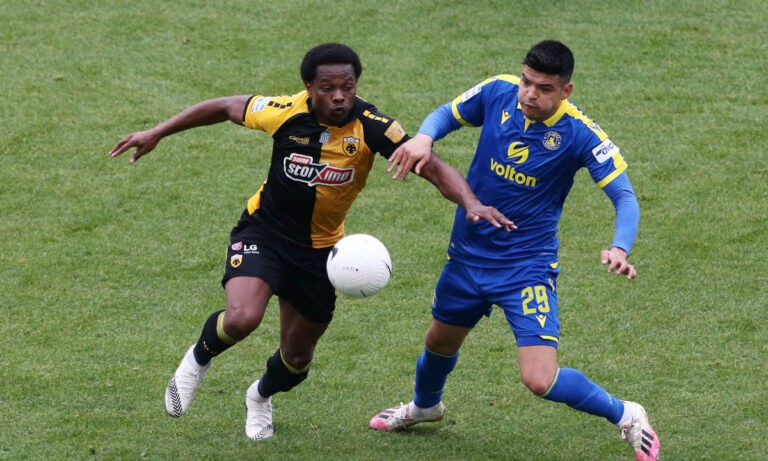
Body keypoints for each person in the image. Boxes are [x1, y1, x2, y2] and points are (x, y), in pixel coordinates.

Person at [110, 43, 513, 441]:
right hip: (263, 233)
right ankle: (197, 360)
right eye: (328, 88)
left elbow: (432, 166)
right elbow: (222, 106)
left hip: (321, 253)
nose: (339, 96)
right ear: (309, 87)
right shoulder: (284, 111)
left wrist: (471, 203)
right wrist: (157, 132)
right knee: (242, 318)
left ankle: (259, 396)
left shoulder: (373, 127)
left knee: (297, 361)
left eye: (347, 87)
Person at [369, 40, 660, 461]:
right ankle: (424, 407)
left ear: (566, 91)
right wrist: (425, 138)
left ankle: (627, 414)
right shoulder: (498, 91)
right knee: (439, 341)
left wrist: (620, 246)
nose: (529, 94)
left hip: (525, 268)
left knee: (540, 379)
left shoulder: (580, 133)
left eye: (544, 88)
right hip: (467, 256)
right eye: (526, 82)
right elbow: (447, 113)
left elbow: (625, 196)